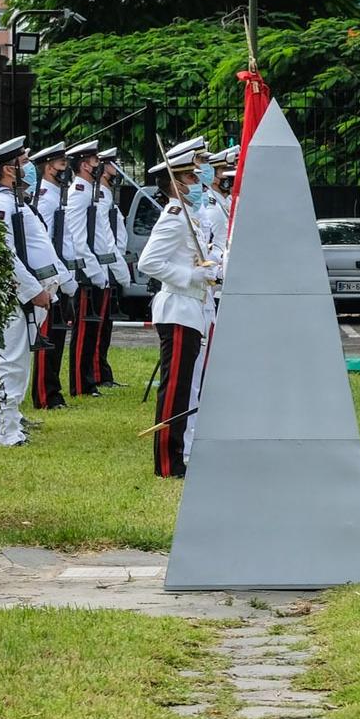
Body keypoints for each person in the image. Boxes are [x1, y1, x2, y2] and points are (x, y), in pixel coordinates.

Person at [138, 152, 220, 477]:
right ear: (175, 184)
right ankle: (167, 463)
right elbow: (148, 263)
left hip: (192, 308)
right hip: (178, 308)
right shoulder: (174, 216)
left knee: (185, 387)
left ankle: (179, 454)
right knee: (174, 388)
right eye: (190, 178)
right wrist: (190, 276)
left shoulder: (190, 217)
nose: (197, 183)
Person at [0, 136, 60, 447]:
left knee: (18, 361)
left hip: (30, 295)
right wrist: (31, 291)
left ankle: (14, 421)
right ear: (9, 169)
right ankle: (7, 432)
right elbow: (6, 254)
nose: (29, 168)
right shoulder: (0, 203)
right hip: (17, 296)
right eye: (23, 163)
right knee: (9, 362)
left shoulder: (13, 200)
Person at [28, 141, 76, 411]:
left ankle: (53, 391)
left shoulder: (58, 195)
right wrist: (62, 277)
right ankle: (46, 395)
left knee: (57, 337)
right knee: (48, 340)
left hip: (62, 274)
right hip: (51, 277)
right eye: (61, 165)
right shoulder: (45, 198)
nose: (65, 170)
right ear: (48, 168)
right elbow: (45, 244)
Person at [64, 141, 110, 397]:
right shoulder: (79, 193)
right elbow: (78, 239)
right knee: (83, 332)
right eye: (94, 161)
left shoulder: (88, 192)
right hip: (85, 273)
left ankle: (88, 380)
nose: (98, 165)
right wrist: (94, 271)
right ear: (84, 165)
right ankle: (81, 384)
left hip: (93, 270)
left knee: (92, 330)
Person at [93, 149, 129, 387]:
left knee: (105, 326)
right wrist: (119, 270)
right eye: (112, 164)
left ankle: (102, 372)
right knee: (97, 328)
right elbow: (104, 236)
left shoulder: (106, 194)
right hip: (105, 265)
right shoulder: (99, 195)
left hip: (111, 264)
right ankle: (96, 375)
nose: (117, 168)